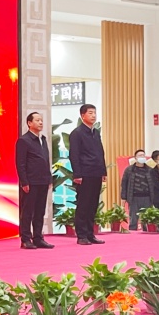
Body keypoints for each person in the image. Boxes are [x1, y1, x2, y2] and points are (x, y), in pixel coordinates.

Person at [15, 112, 54, 249]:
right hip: (30, 182)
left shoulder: (43, 139)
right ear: (29, 123)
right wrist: (24, 182)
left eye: (41, 120)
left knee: (40, 211)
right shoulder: (24, 140)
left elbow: (46, 160)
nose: (41, 122)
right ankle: (25, 239)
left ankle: (38, 238)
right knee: (27, 212)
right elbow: (20, 163)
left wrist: (49, 178)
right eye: (37, 120)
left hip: (43, 180)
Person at [68, 103, 106, 246]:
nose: (93, 115)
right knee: (83, 204)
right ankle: (82, 235)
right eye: (90, 113)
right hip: (84, 174)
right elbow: (74, 155)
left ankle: (90, 234)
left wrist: (103, 171)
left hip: (96, 173)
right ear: (82, 115)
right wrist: (77, 174)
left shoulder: (95, 132)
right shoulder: (77, 133)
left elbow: (100, 152)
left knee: (93, 205)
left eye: (94, 113)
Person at [120, 149, 153, 231]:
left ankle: (146, 234)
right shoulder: (129, 170)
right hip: (133, 197)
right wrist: (123, 197)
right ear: (135, 158)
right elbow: (124, 184)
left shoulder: (150, 170)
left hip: (147, 197)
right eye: (140, 155)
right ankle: (132, 234)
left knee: (146, 220)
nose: (142, 157)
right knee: (133, 219)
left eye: (143, 155)